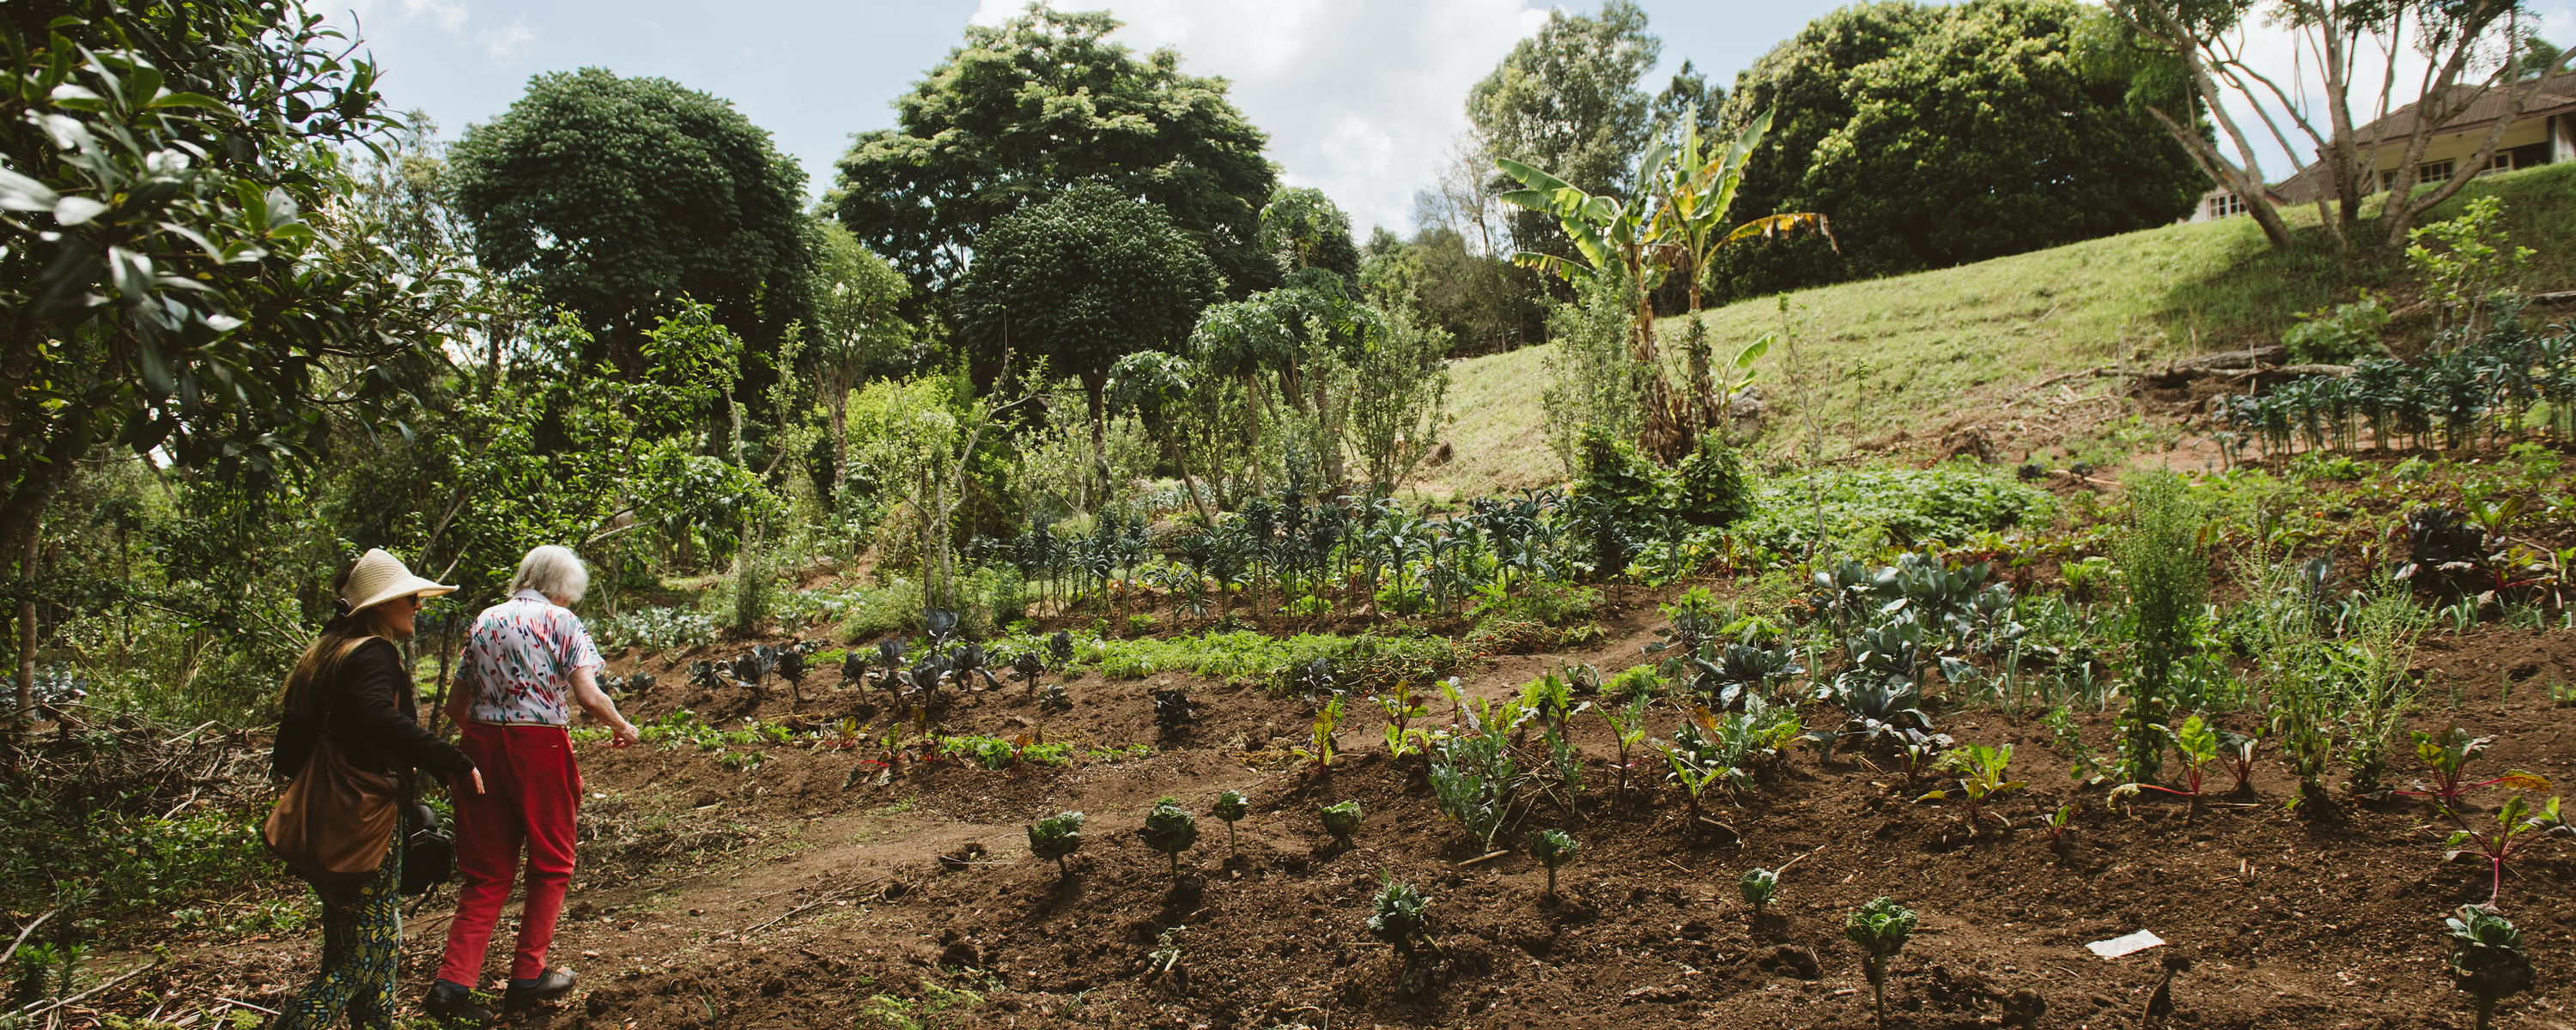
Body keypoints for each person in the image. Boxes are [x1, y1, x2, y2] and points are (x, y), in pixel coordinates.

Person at [271, 548, 483, 1030]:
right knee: (368, 950)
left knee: (360, 941)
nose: (417, 605)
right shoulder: (373, 652)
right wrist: (449, 760)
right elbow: (374, 713)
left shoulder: (327, 653)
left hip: (324, 819)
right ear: (381, 605)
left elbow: (286, 752)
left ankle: (379, 1022)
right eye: (409, 597)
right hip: (364, 821)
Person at [428, 546, 640, 1022]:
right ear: (562, 588)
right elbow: (587, 693)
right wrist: (622, 726)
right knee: (551, 862)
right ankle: (527, 976)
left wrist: (486, 737)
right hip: (539, 748)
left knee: (485, 873)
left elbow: (454, 706)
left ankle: (451, 986)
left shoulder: (485, 620)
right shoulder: (561, 622)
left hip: (479, 747)